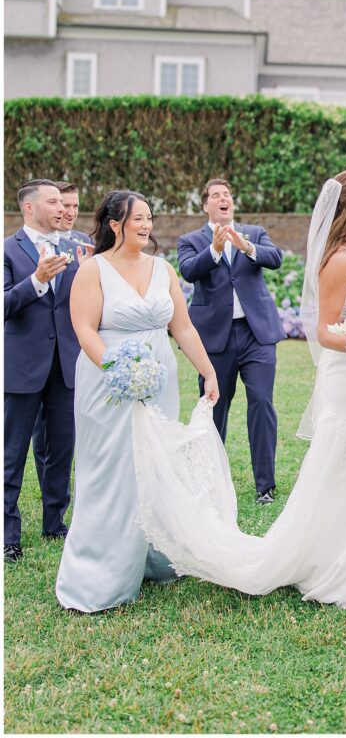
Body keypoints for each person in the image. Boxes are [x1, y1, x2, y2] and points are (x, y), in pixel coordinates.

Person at [130, 171, 346, 609]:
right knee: (340, 461)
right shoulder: (336, 259)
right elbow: (325, 329)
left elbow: (280, 257)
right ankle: (326, 557)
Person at [55, 190, 220, 613]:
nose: (147, 226)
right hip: (108, 380)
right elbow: (85, 330)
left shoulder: (163, 269)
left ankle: (152, 557)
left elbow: (181, 327)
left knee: (154, 464)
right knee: (112, 469)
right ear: (115, 224)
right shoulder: (92, 269)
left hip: (158, 378)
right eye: (138, 219)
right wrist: (118, 371)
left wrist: (207, 370)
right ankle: (100, 569)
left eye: (150, 218)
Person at [178, 179, 284, 504]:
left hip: (257, 335)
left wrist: (245, 247)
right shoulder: (191, 240)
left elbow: (275, 257)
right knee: (214, 408)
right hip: (215, 339)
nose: (224, 199)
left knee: (262, 404)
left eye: (227, 195)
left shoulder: (253, 232)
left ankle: (265, 486)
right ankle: (210, 483)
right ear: (205, 205)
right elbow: (188, 271)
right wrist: (215, 250)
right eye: (216, 196)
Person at [4, 180, 83, 563]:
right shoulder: (7, 249)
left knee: (61, 449)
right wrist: (36, 280)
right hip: (22, 366)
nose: (62, 208)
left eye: (63, 202)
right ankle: (7, 533)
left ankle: (55, 522)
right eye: (53, 201)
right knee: (12, 452)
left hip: (66, 364)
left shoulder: (73, 248)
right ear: (29, 207)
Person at [32, 181, 93, 506]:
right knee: (40, 435)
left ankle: (61, 502)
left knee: (66, 433)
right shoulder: (29, 244)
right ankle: (48, 493)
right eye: (62, 205)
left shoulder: (84, 245)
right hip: (36, 352)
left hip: (73, 351)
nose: (68, 212)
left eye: (73, 206)